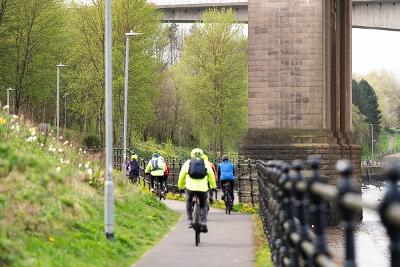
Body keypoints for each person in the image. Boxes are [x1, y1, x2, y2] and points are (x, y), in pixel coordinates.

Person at [178, 148, 216, 233]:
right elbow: (211, 176)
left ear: (192, 155)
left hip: (190, 187)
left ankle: (190, 220)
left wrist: (180, 186)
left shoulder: (187, 163)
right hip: (203, 188)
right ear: (202, 155)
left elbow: (181, 176)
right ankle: (203, 222)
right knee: (203, 205)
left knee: (188, 201)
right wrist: (213, 186)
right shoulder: (206, 163)